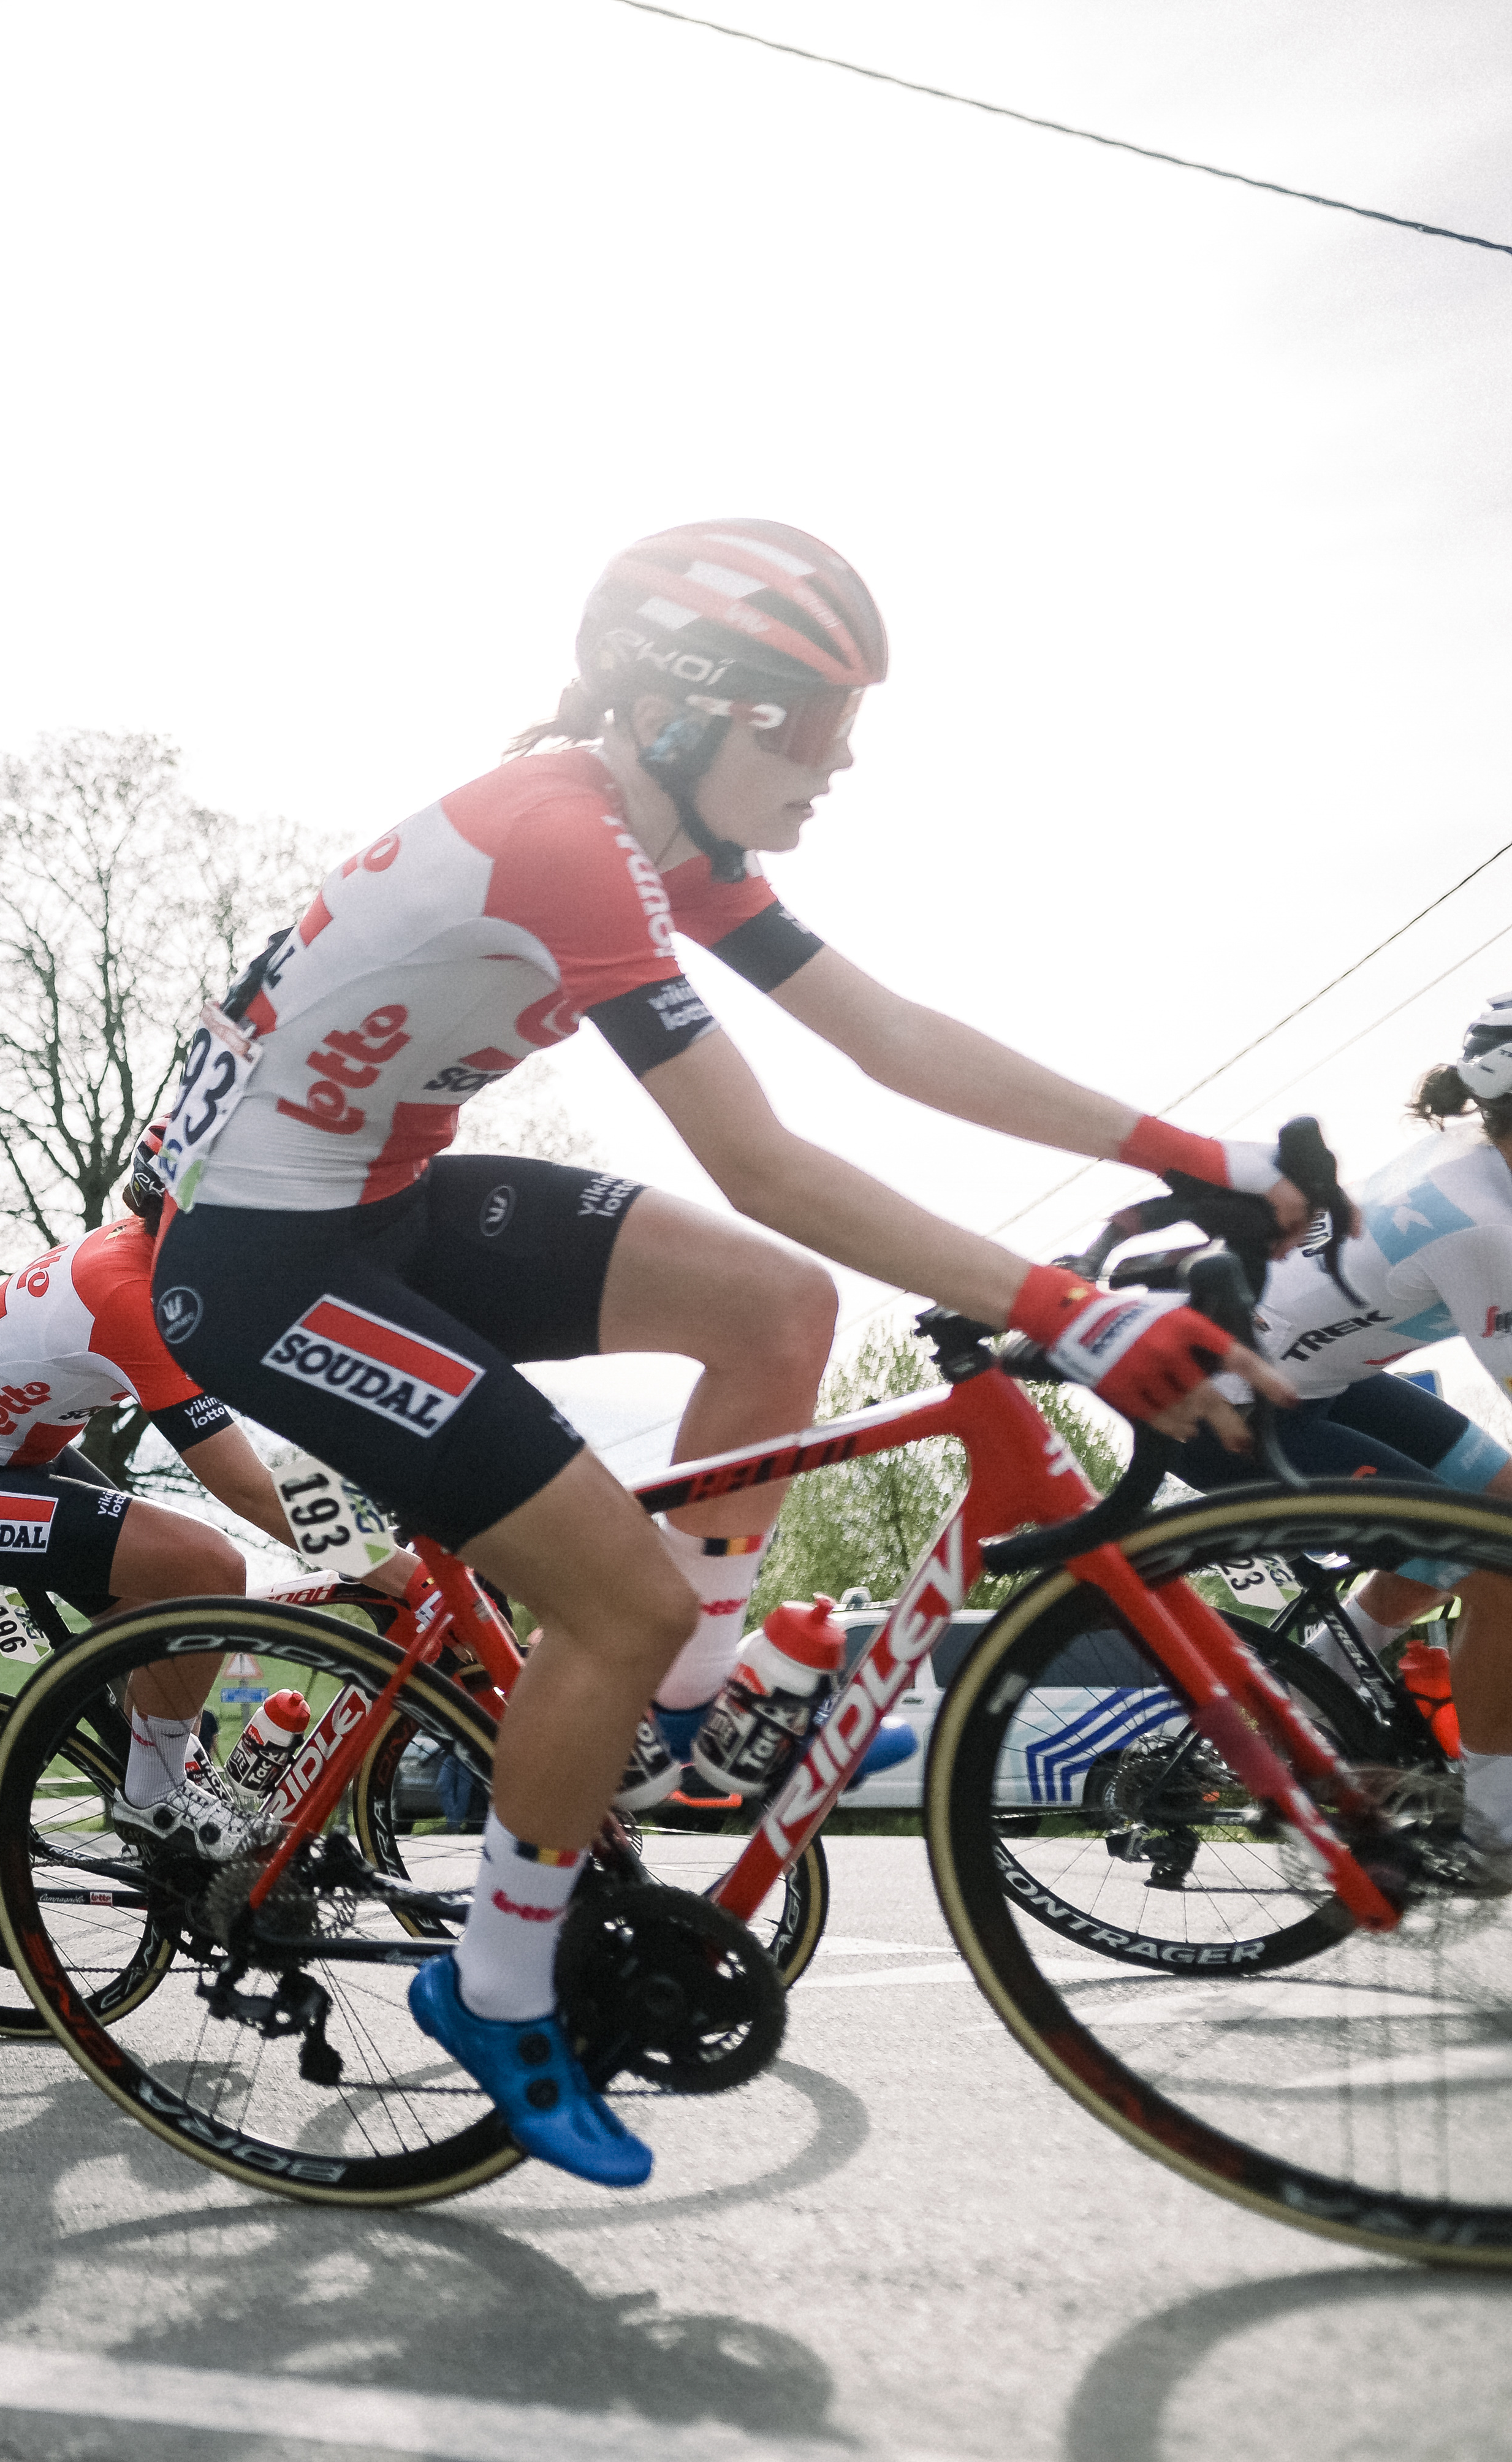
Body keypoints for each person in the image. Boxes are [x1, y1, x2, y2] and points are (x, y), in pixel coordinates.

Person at [141, 519, 1296, 2187]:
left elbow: (890, 1037)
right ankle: (501, 1981)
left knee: (777, 1312)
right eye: (813, 725)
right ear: (689, 710)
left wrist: (1205, 1160)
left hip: (375, 1204)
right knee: (618, 1594)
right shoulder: (559, 837)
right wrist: (1069, 1307)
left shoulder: (646, 828)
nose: (839, 765)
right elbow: (762, 1156)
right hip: (257, 1271)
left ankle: (684, 1711)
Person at [0, 1132, 367, 1851]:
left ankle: (142, 1770)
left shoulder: (163, 1254)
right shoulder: (134, 1294)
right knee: (210, 1569)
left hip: (14, 1452)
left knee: (161, 1615)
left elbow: (290, 1393)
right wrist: (378, 1551)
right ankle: (153, 1795)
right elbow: (246, 1487)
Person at [1176, 995, 1512, 1877]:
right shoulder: (1484, 1227)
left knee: (1497, 1508)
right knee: (1503, 1571)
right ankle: (1492, 1829)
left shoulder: (1474, 1157)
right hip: (1224, 1416)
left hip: (1311, 1382)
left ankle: (1319, 1677)